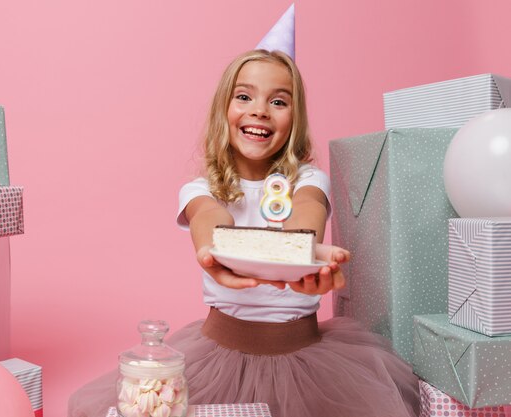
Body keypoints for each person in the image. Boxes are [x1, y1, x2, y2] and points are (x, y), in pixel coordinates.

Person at [68, 49, 419, 417]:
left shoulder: (307, 181)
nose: (260, 110)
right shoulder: (200, 189)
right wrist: (216, 248)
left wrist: (305, 256)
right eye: (244, 96)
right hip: (218, 357)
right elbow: (209, 218)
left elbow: (308, 210)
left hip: (310, 360)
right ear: (224, 110)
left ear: (295, 119)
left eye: (279, 101)